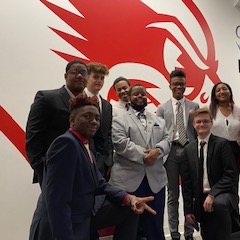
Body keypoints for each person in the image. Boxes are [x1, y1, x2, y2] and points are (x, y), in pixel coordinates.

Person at [29, 94, 156, 240]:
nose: (94, 121)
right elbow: (57, 202)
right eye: (87, 116)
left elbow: (99, 183)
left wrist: (129, 198)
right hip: (59, 229)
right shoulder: (65, 144)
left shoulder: (84, 144)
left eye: (97, 118)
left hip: (80, 217)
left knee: (131, 209)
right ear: (72, 120)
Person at [110, 84, 171, 240]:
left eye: (142, 94)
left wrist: (157, 151)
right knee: (129, 225)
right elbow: (121, 143)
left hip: (155, 181)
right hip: (128, 181)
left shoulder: (159, 120)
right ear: (129, 98)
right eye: (135, 94)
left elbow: (167, 140)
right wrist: (146, 156)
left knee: (155, 223)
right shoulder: (119, 119)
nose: (139, 96)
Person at [181, 107, 240, 240]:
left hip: (222, 194)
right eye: (198, 122)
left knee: (218, 205)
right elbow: (186, 184)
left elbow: (231, 175)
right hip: (201, 198)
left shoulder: (222, 144)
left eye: (205, 121)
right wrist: (188, 211)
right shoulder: (188, 150)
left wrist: (212, 194)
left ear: (211, 123)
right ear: (193, 124)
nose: (201, 124)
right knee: (208, 235)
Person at [26, 59, 88, 185]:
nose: (80, 75)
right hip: (54, 170)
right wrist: (42, 167)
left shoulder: (89, 103)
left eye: (83, 73)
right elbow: (33, 135)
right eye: (75, 72)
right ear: (65, 76)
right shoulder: (46, 98)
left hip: (84, 170)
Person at [156, 70, 199, 240]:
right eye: (175, 84)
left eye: (181, 83)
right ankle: (174, 232)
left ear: (185, 84)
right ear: (170, 85)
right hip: (171, 152)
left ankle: (189, 232)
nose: (178, 87)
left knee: (189, 193)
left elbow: (197, 131)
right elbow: (159, 133)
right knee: (172, 194)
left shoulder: (194, 106)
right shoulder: (162, 108)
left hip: (189, 150)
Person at [209, 82, 240, 232]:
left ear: (230, 91)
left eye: (225, 89)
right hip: (215, 154)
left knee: (233, 191)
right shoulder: (209, 110)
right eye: (218, 90)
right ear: (214, 94)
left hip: (234, 153)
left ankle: (235, 228)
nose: (222, 92)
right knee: (216, 189)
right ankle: (219, 228)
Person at [84, 62, 113, 179]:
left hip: (103, 162)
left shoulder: (107, 105)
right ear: (87, 77)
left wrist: (109, 160)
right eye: (95, 77)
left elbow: (109, 134)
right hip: (83, 156)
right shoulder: (77, 100)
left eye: (102, 78)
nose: (99, 81)